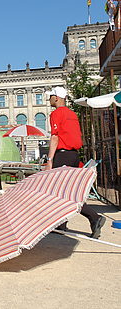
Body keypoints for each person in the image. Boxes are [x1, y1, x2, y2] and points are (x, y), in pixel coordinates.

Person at [45, 86, 106, 239]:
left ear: (57, 98)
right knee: (64, 191)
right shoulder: (72, 114)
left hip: (63, 155)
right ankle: (61, 224)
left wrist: (49, 159)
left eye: (51, 96)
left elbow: (55, 137)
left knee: (60, 193)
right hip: (73, 155)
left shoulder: (56, 113)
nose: (49, 98)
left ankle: (94, 217)